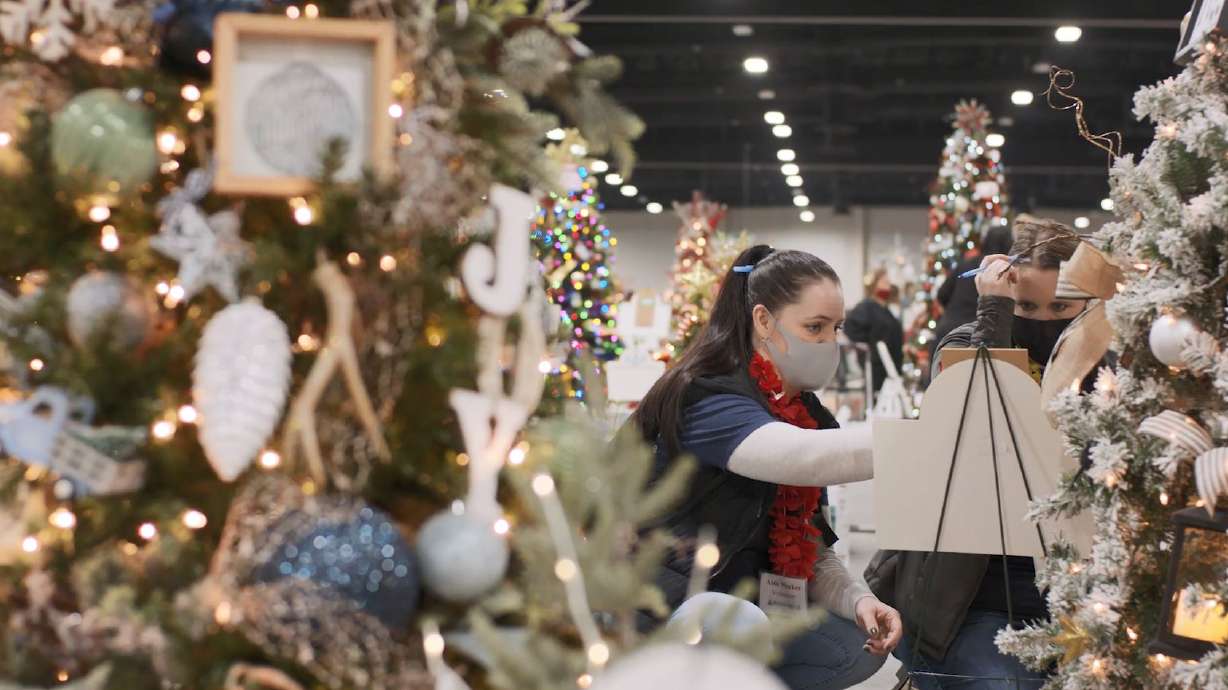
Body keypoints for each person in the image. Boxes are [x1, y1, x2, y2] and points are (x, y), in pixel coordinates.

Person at [633, 245, 903, 690]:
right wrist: (923, 439)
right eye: (813, 327)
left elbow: (810, 545)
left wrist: (860, 600)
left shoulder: (809, 413)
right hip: (659, 599)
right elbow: (801, 457)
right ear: (763, 321)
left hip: (751, 608)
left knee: (855, 645)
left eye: (835, 328)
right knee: (732, 621)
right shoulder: (707, 392)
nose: (828, 343)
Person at [865, 218, 1088, 690]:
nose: (1045, 319)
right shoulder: (963, 343)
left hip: (1077, 592)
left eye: (1062, 306)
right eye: (1027, 305)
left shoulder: (1100, 362)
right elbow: (971, 416)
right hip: (971, 601)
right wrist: (996, 313)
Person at [929, 225, 1015, 362]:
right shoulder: (1008, 271)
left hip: (948, 329)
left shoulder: (965, 265)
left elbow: (942, 295)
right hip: (979, 334)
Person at [844, 268, 904, 394]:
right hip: (877, 367)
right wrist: (871, 343)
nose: (888, 285)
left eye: (889, 282)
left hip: (891, 366)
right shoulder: (867, 306)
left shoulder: (886, 309)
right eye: (884, 282)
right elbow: (850, 327)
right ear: (874, 285)